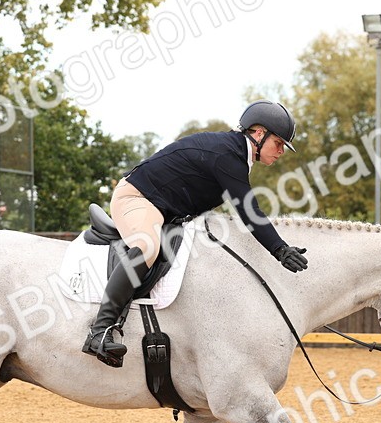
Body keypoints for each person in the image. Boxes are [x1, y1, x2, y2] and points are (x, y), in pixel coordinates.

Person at [83, 99, 310, 367]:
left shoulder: (234, 153)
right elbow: (249, 211)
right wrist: (279, 249)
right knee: (147, 247)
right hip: (136, 198)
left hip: (162, 209)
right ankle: (100, 330)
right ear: (259, 134)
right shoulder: (229, 156)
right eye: (279, 143)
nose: (282, 151)